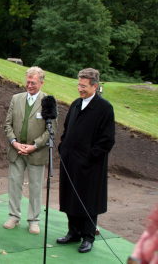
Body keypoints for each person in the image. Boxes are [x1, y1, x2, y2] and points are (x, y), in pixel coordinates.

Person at [57, 68, 115, 253]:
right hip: (70, 161)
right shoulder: (76, 104)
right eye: (78, 85)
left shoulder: (104, 108)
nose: (80, 89)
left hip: (90, 165)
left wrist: (89, 157)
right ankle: (73, 232)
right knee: (70, 197)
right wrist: (63, 147)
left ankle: (88, 237)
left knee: (87, 200)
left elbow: (107, 140)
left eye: (83, 86)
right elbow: (67, 129)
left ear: (95, 86)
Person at [3, 66, 57, 235]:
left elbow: (51, 131)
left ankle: (34, 220)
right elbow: (8, 124)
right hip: (16, 150)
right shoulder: (16, 99)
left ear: (41, 83)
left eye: (33, 83)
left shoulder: (48, 101)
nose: (29, 85)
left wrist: (34, 145)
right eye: (27, 82)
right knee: (14, 184)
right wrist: (14, 142)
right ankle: (14, 216)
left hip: (36, 152)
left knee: (35, 187)